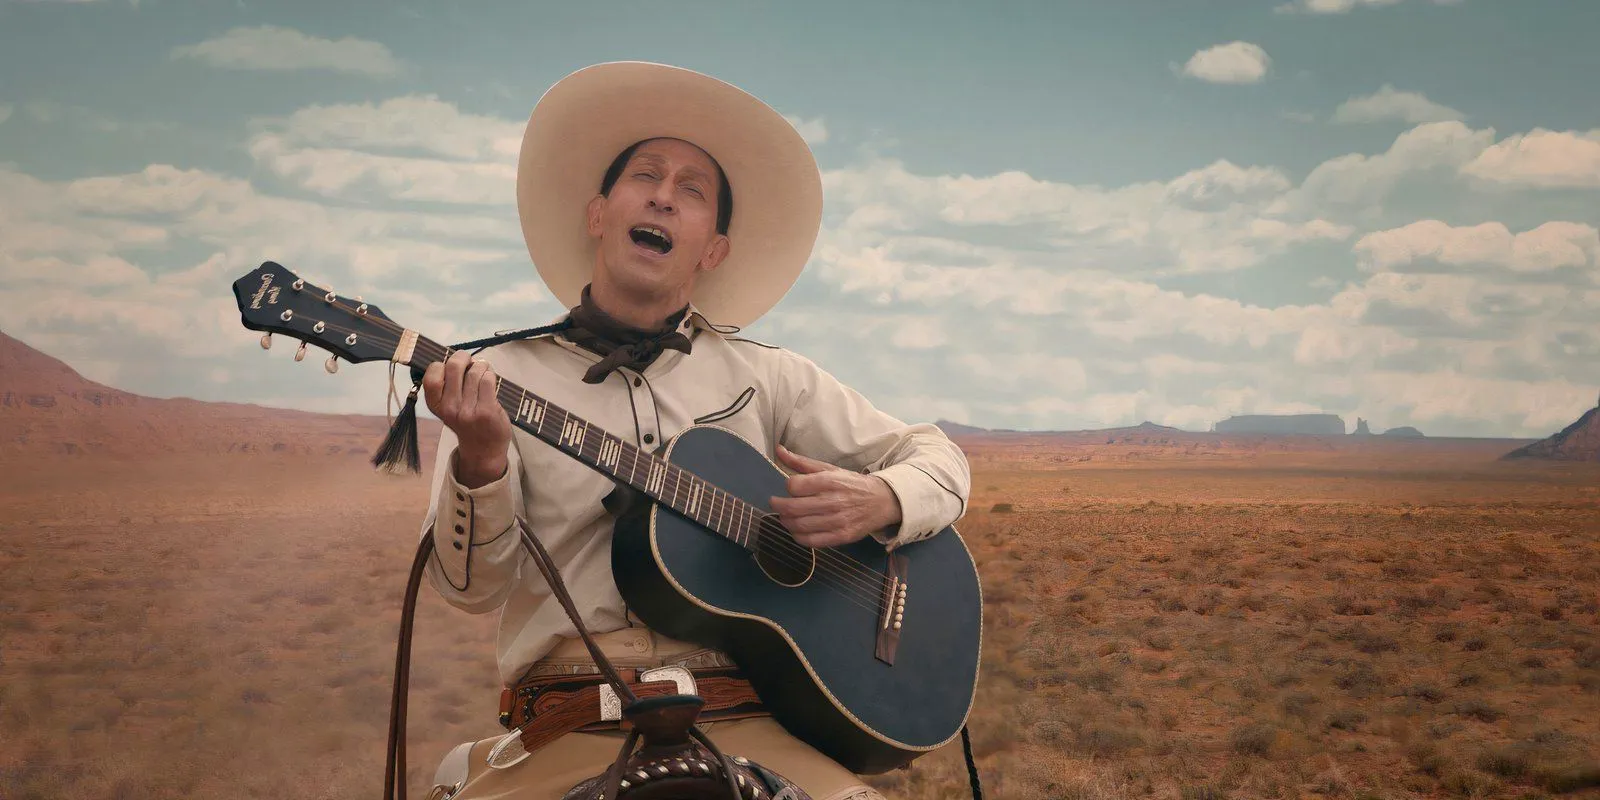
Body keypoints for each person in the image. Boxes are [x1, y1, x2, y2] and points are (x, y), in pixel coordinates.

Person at [415, 61, 971, 800]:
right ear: (599, 213)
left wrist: (883, 499)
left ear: (713, 250)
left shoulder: (767, 376)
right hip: (570, 720)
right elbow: (468, 589)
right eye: (645, 175)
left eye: (692, 190)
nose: (663, 196)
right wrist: (481, 463)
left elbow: (939, 457)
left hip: (747, 715)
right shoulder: (498, 380)